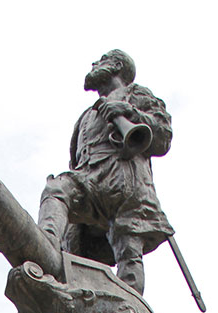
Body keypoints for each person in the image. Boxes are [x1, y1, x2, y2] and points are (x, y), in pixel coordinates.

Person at [38, 49, 173, 296]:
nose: (94, 64)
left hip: (126, 185)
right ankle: (45, 243)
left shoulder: (136, 94)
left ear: (117, 65)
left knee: (128, 251)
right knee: (56, 189)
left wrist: (130, 113)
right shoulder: (86, 116)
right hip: (90, 180)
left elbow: (162, 136)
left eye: (101, 60)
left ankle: (129, 305)